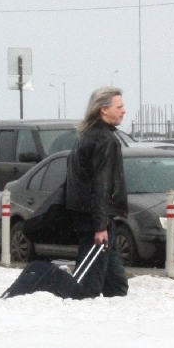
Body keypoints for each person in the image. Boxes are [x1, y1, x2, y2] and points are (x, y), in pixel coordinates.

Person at [65, 87, 129, 298]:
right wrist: (100, 226)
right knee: (87, 285)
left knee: (116, 285)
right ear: (104, 110)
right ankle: (79, 319)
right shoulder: (104, 140)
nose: (124, 111)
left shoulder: (88, 136)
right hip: (95, 220)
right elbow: (100, 185)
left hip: (92, 216)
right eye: (119, 107)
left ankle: (111, 322)